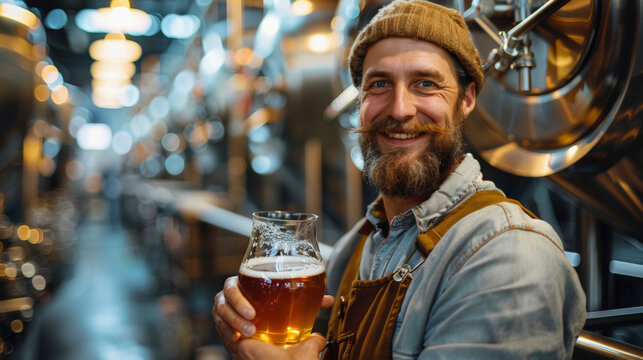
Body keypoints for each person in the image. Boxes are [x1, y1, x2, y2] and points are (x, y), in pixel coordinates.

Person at [212, 0, 587, 359]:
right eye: (378, 84)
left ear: (467, 98)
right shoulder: (359, 245)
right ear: (358, 100)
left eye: (425, 83)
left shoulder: (510, 258)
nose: (399, 109)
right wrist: (246, 324)